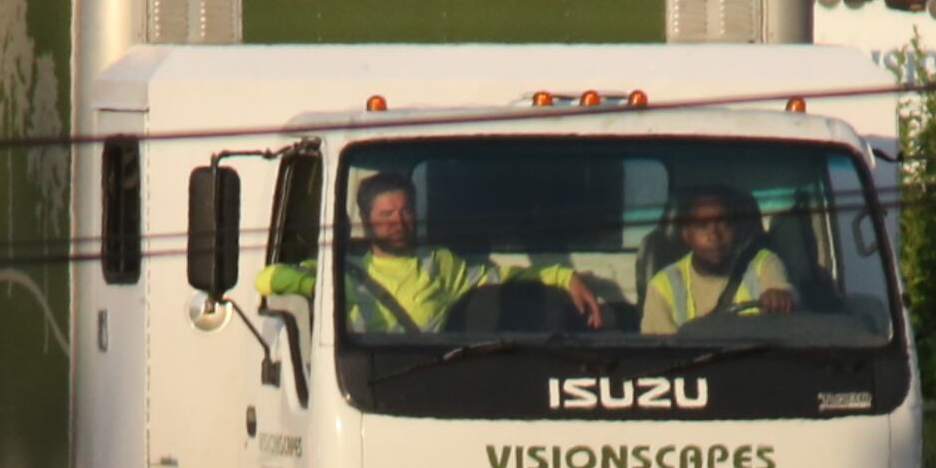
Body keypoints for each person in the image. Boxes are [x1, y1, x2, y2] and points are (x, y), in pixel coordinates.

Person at [289, 172, 612, 332]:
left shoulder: (438, 263)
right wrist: (315, 287)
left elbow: (502, 276)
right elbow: (268, 278)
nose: (399, 223)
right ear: (365, 220)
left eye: (406, 212)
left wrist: (564, 276)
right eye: (386, 215)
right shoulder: (342, 270)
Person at [641, 186, 794, 332]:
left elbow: (780, 291)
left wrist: (778, 297)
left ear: (735, 230)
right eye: (702, 226)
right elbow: (662, 351)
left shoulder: (763, 263)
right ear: (687, 235)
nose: (714, 236)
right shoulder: (662, 286)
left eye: (724, 224)